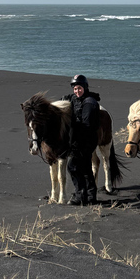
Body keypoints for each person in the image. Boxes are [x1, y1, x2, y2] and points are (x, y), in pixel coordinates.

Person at [63, 74, 101, 205]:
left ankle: (80, 195)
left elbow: (86, 125)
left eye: (79, 88)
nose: (77, 91)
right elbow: (69, 98)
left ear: (85, 87)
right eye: (75, 88)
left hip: (86, 140)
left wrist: (74, 138)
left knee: (73, 166)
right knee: (85, 167)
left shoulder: (89, 103)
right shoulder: (76, 98)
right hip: (80, 139)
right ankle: (90, 196)